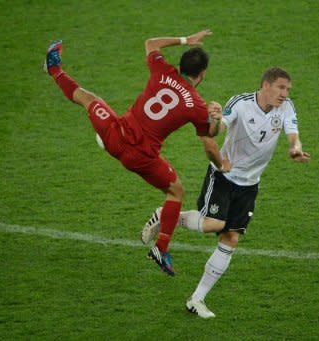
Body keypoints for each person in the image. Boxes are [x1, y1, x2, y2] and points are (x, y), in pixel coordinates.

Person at [43, 29, 230, 277]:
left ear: (180, 65)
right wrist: (216, 118)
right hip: (140, 157)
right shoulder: (195, 105)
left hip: (114, 135)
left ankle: (54, 69)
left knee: (88, 99)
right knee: (176, 192)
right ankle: (161, 248)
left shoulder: (162, 70)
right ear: (202, 74)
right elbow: (211, 134)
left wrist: (186, 40)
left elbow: (151, 43)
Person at [141, 67, 310, 317]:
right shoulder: (241, 103)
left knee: (231, 238)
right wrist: (217, 118)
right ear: (266, 85)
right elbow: (216, 131)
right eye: (281, 88)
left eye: (288, 89)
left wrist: (295, 148)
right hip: (223, 175)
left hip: (250, 183)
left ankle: (196, 300)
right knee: (213, 223)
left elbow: (293, 134)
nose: (285, 94)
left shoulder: (286, 108)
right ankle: (166, 215)